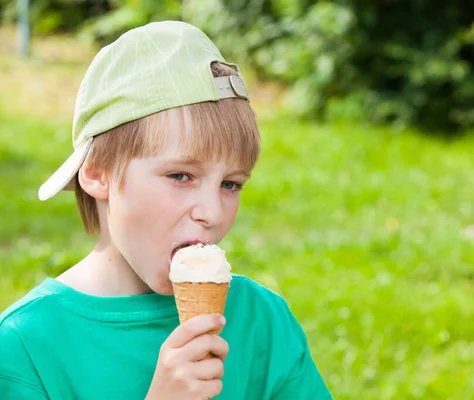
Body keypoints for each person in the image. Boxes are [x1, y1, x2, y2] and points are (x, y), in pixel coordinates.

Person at [0, 21, 331, 399]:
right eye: (181, 175)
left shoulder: (263, 323)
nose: (211, 212)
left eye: (230, 184)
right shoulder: (24, 348)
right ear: (96, 174)